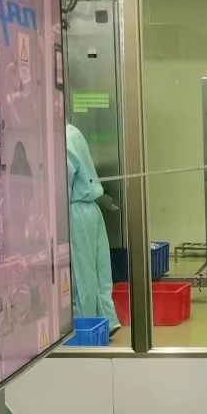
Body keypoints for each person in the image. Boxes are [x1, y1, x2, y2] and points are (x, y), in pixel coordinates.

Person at [65, 123, 120, 334]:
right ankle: (107, 320)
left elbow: (62, 185)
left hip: (75, 211)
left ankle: (86, 328)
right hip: (91, 208)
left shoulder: (61, 137)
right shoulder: (73, 131)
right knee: (100, 272)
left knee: (82, 276)